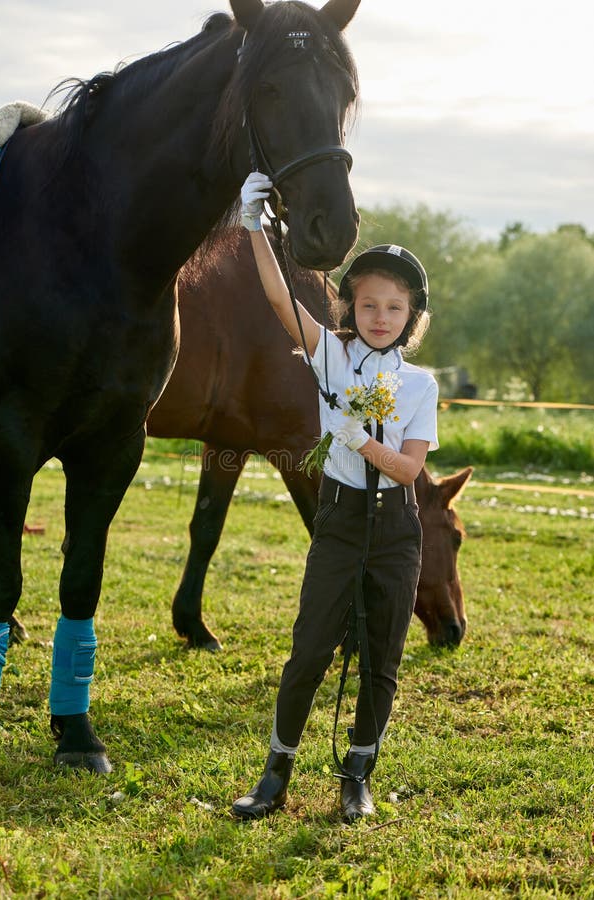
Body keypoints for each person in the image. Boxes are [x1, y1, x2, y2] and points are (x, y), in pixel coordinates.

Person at [231, 172, 439, 823]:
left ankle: (358, 776)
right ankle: (275, 772)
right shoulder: (333, 359)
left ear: (411, 318)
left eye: (394, 308)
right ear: (350, 307)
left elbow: (408, 472)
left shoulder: (419, 385)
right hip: (342, 520)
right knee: (309, 651)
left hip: (396, 531)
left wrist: (360, 440)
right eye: (369, 305)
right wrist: (252, 227)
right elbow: (277, 299)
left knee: (381, 657)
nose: (380, 318)